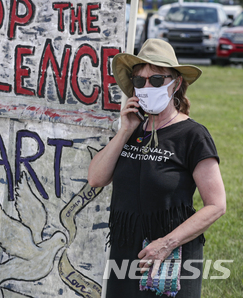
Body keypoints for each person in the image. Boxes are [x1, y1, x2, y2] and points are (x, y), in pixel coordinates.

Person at [88, 39, 226, 297]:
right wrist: (125, 130)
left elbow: (216, 204)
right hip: (125, 254)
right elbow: (95, 178)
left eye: (156, 79)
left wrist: (165, 244)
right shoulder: (132, 129)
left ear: (176, 83)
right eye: (139, 81)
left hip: (171, 256)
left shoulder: (193, 135)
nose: (147, 86)